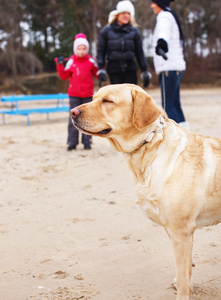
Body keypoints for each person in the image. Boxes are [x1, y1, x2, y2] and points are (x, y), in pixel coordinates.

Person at [55, 33, 99, 150]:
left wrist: (101, 65)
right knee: (73, 119)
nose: (82, 51)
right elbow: (64, 76)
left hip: (88, 95)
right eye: (79, 49)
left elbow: (97, 74)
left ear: (87, 49)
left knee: (88, 118)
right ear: (75, 49)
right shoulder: (71, 62)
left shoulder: (91, 61)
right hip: (74, 94)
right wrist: (59, 65)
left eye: (84, 48)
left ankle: (87, 141)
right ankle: (72, 142)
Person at [151, 0, 189, 129]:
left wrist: (162, 43)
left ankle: (178, 138)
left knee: (168, 105)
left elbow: (164, 31)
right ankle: (186, 136)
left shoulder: (164, 16)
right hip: (176, 67)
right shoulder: (170, 14)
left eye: (153, 3)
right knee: (175, 105)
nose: (152, 6)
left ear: (159, 3)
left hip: (169, 67)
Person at [97, 0, 151, 87]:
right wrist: (101, 69)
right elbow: (101, 51)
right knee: (117, 98)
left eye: (128, 13)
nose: (126, 15)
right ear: (117, 14)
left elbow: (139, 53)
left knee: (130, 97)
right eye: (123, 13)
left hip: (130, 70)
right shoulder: (106, 31)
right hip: (114, 70)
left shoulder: (135, 32)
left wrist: (144, 71)